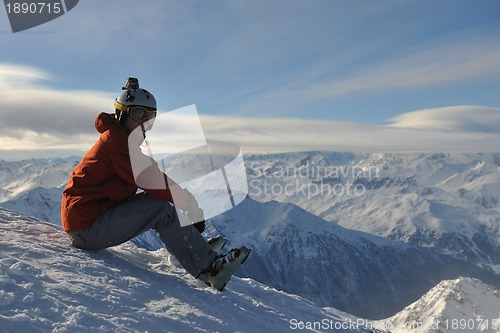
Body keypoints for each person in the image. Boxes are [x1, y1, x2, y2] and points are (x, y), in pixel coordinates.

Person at [61, 77, 249, 290]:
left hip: (92, 217)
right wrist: (189, 204)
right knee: (161, 208)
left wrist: (185, 203)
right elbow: (154, 179)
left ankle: (189, 250)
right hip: (87, 228)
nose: (144, 123)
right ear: (122, 114)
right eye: (139, 115)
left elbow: (154, 180)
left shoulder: (119, 140)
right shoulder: (117, 144)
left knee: (160, 202)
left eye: (149, 118)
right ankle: (210, 269)